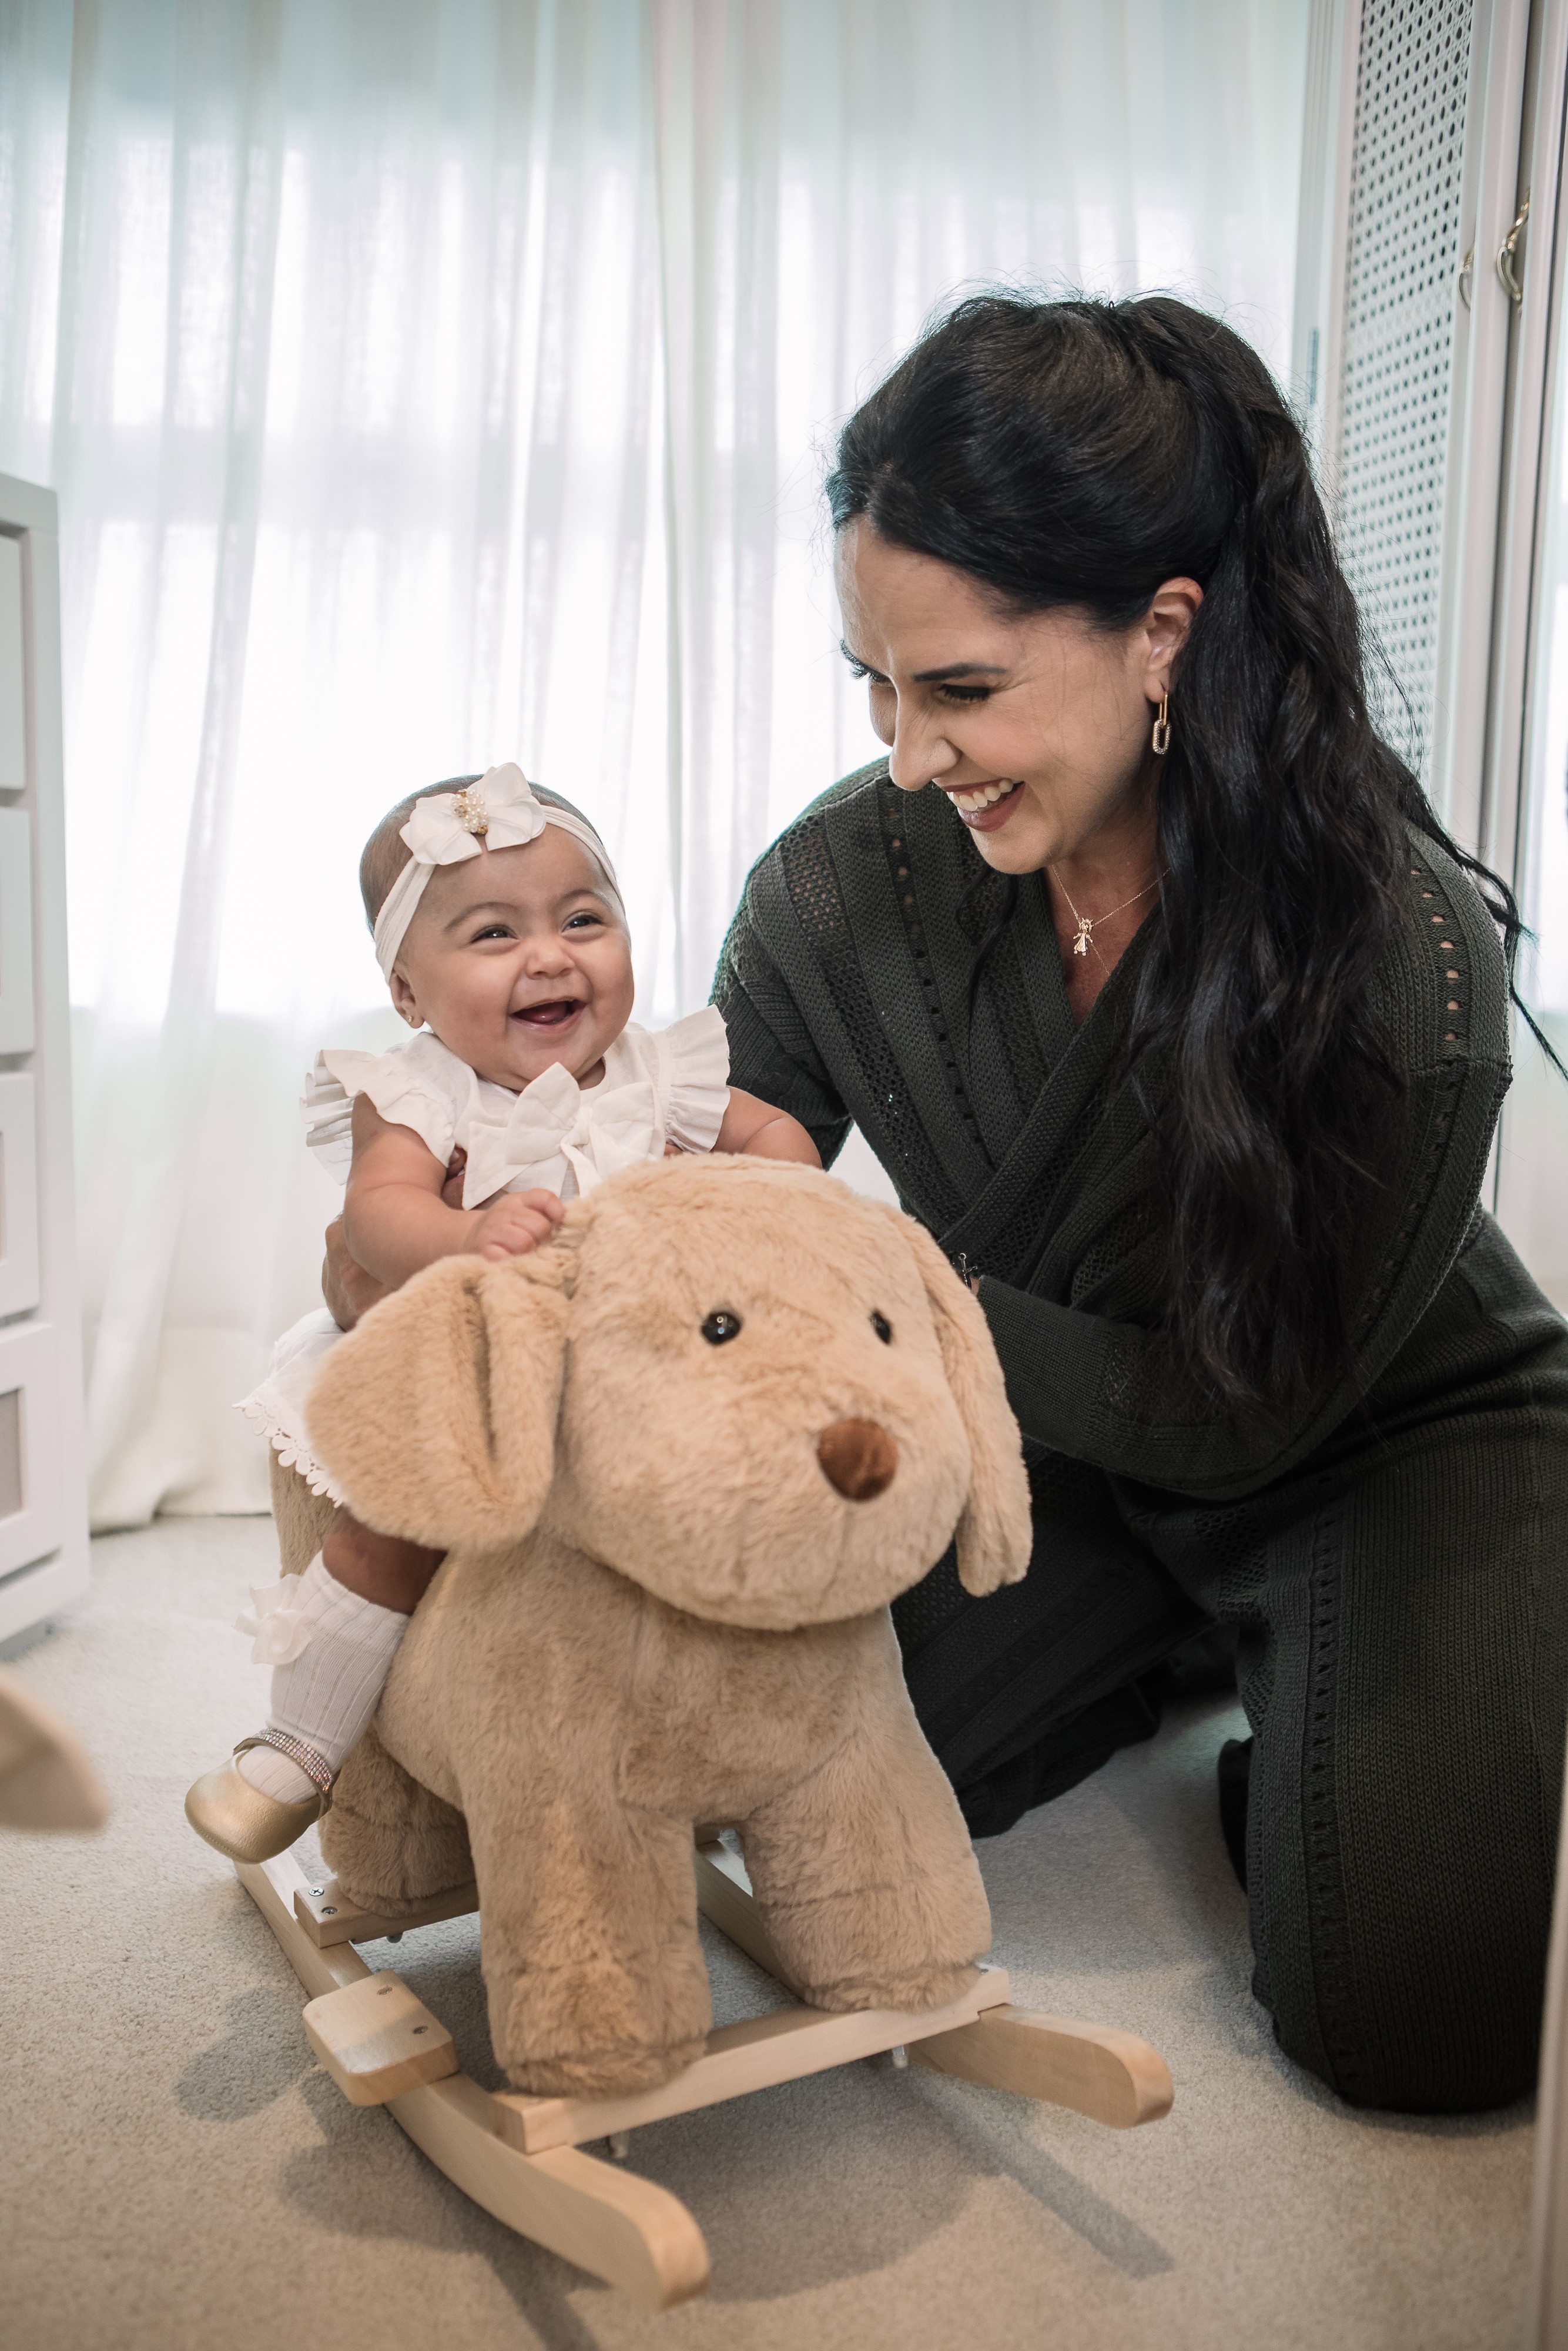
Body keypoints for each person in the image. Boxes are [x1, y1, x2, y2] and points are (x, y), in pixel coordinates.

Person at [706, 293, 1568, 2115]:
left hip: (1371, 1441)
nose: (907, 753)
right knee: (751, 1784)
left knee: (1424, 2021)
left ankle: (1315, 1721)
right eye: (872, 680)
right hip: (1055, 1448)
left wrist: (881, 1279)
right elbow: (721, 1229)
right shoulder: (841, 888)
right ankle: (1156, 1651)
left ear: (1160, 636)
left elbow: (1234, 1414)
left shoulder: (1397, 965)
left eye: (958, 688)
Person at [185, 763, 817, 1866]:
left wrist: (768, 1203)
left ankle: (728, 1744)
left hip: (642, 1367)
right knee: (395, 1520)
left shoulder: (661, 1073)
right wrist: (466, 1235)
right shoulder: (424, 1091)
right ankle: (303, 1744)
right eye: (491, 935)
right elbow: (376, 1214)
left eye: (585, 919)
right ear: (408, 993)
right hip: (473, 1362)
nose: (550, 955)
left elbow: (774, 1138)